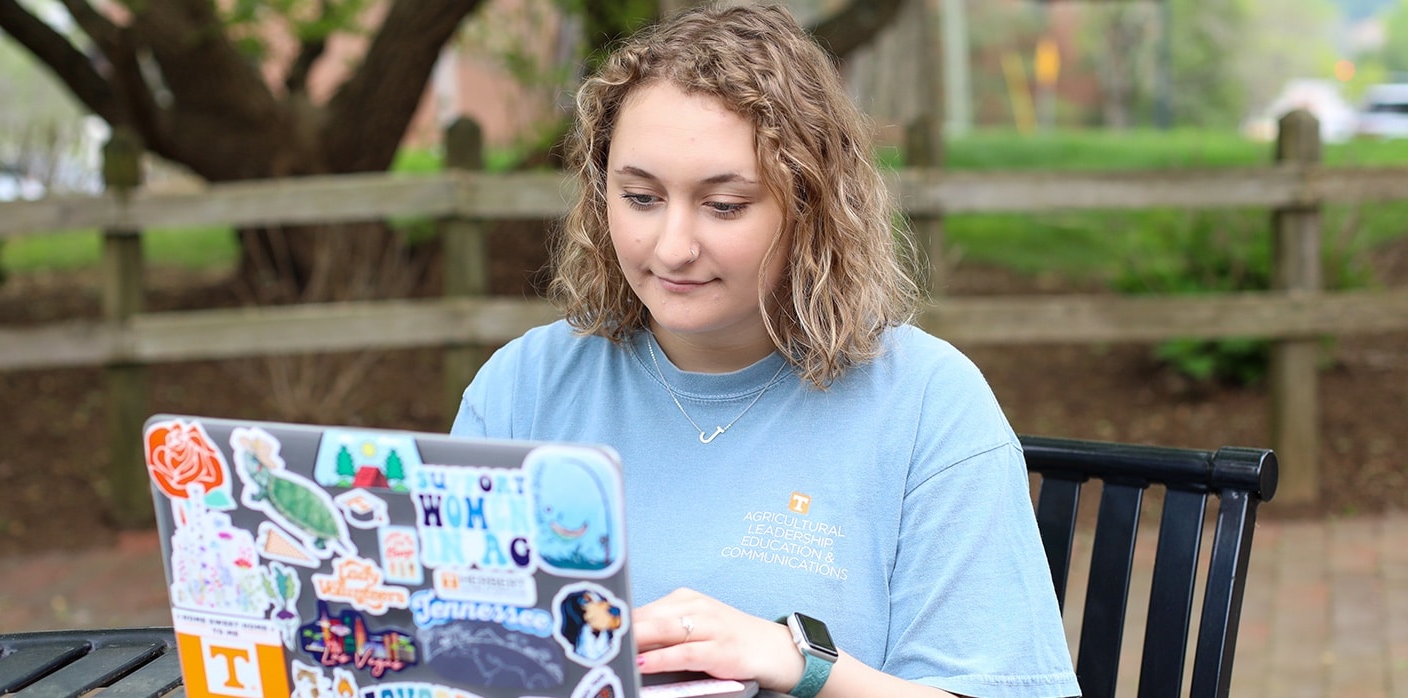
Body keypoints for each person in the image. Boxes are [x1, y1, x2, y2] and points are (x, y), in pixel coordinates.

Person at [451, 4, 1079, 696]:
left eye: (724, 205)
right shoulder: (524, 387)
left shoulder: (928, 404)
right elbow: (447, 656)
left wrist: (798, 663)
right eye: (640, 197)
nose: (672, 247)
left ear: (811, 206)